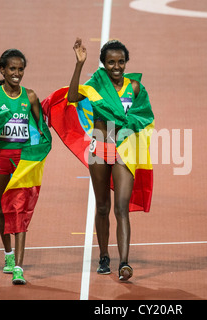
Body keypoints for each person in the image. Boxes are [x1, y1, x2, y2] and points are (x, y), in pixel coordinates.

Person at [68, 38, 149, 281]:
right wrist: (79, 65)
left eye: (121, 62)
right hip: (100, 147)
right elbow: (72, 97)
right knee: (102, 206)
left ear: (126, 63)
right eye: (111, 62)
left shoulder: (134, 88)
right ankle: (104, 255)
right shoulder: (97, 84)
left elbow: (145, 115)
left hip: (125, 148)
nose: (117, 67)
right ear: (103, 64)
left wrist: (131, 132)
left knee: (121, 207)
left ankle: (124, 262)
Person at [0, 49, 45, 284]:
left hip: (22, 161)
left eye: (20, 69)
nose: (17, 73)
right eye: (12, 69)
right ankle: (8, 255)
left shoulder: (29, 97)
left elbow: (41, 128)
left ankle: (18, 268)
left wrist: (38, 153)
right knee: (2, 209)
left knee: (19, 210)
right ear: (2, 69)